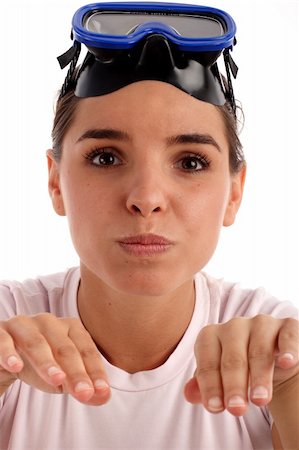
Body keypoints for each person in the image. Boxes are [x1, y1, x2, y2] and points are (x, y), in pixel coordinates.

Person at [0, 2, 298, 449]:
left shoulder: (279, 353)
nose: (147, 198)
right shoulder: (7, 333)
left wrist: (289, 392)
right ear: (55, 182)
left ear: (234, 193)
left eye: (191, 161)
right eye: (105, 157)